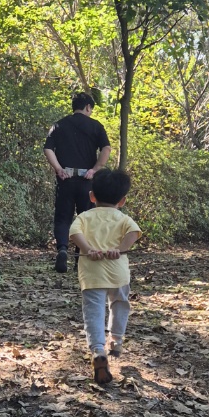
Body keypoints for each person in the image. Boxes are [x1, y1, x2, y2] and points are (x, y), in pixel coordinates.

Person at [69, 168, 141, 385]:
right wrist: (119, 249)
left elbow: (74, 233)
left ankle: (98, 350)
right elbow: (134, 233)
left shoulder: (84, 217)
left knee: (94, 311)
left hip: (92, 274)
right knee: (120, 304)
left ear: (92, 196)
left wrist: (88, 249)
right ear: (122, 200)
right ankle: (116, 341)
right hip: (118, 273)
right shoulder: (123, 218)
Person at [44, 91, 111, 272]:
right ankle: (79, 259)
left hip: (65, 178)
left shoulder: (59, 125)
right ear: (88, 107)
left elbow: (48, 149)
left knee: (63, 218)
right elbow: (106, 148)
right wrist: (95, 169)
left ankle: (62, 250)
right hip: (86, 180)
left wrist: (58, 169)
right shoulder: (96, 126)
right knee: (85, 220)